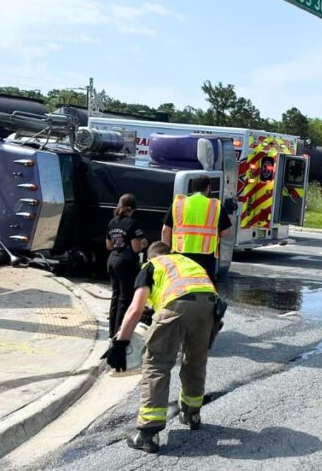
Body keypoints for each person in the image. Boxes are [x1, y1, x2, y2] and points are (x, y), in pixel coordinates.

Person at [104, 241, 223, 453]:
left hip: (177, 306)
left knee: (157, 365)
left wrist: (120, 343)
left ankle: (148, 434)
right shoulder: (187, 262)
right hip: (208, 307)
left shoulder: (151, 266)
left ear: (150, 257)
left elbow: (134, 309)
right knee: (195, 361)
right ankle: (191, 414)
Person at [161, 177, 233, 281]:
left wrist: (165, 255)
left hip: (181, 255)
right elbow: (226, 232)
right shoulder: (215, 206)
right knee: (203, 289)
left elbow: (165, 231)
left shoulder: (178, 204)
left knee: (181, 287)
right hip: (205, 258)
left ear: (192, 188)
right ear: (208, 188)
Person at [106, 194, 149, 338]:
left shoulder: (112, 222)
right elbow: (136, 248)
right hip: (126, 262)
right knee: (125, 298)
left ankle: (111, 331)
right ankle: (120, 333)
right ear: (133, 209)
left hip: (112, 260)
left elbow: (109, 245)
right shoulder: (132, 224)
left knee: (115, 296)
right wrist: (144, 243)